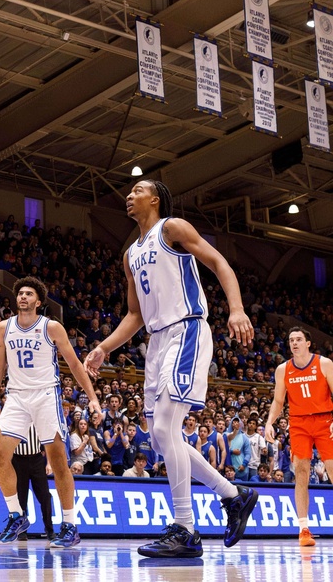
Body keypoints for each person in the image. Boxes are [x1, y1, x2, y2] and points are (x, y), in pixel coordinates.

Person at [84, 179, 258, 558]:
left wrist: (237, 308)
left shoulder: (172, 228)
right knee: (163, 439)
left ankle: (185, 529)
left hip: (187, 328)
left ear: (156, 199)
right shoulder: (130, 253)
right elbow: (134, 314)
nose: (129, 195)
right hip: (157, 341)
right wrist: (103, 347)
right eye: (128, 192)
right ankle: (234, 495)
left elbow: (219, 262)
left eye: (137, 190)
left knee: (165, 428)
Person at [0, 276, 100, 548]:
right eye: (20, 293)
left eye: (28, 294)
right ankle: (16, 514)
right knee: (0, 454)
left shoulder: (52, 327)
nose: (23, 297)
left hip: (46, 394)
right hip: (16, 396)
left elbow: (73, 363)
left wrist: (92, 398)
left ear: (38, 301)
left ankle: (70, 524)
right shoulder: (4, 327)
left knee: (58, 461)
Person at [264, 326, 333, 547]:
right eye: (291, 340)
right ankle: (303, 528)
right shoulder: (283, 369)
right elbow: (278, 401)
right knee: (301, 472)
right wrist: (269, 423)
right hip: (299, 423)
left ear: (308, 343)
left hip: (325, 421)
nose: (294, 343)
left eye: (298, 339)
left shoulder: (324, 364)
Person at [12, 424, 54, 541]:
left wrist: (49, 463)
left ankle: (49, 529)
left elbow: (47, 442)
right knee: (21, 497)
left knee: (45, 496)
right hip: (18, 459)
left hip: (36, 459)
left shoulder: (37, 418)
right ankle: (21, 530)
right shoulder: (15, 418)